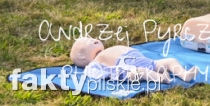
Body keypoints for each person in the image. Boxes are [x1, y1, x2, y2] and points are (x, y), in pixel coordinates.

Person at [71, 37, 199, 84]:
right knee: (141, 72)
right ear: (83, 56)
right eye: (87, 41)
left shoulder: (106, 50)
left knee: (170, 60)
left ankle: (184, 74)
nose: (92, 39)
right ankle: (161, 78)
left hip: (146, 61)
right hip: (130, 69)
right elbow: (98, 72)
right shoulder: (95, 63)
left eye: (90, 38)